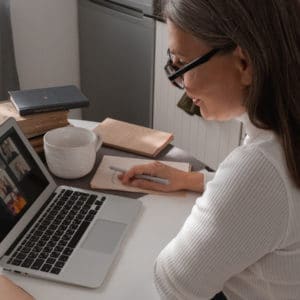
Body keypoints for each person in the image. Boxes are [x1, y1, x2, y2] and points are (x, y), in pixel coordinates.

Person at [119, 0, 300, 299]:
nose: (180, 83)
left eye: (181, 64)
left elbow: (173, 284)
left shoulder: (259, 169)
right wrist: (191, 180)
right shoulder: (283, 136)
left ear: (245, 64)